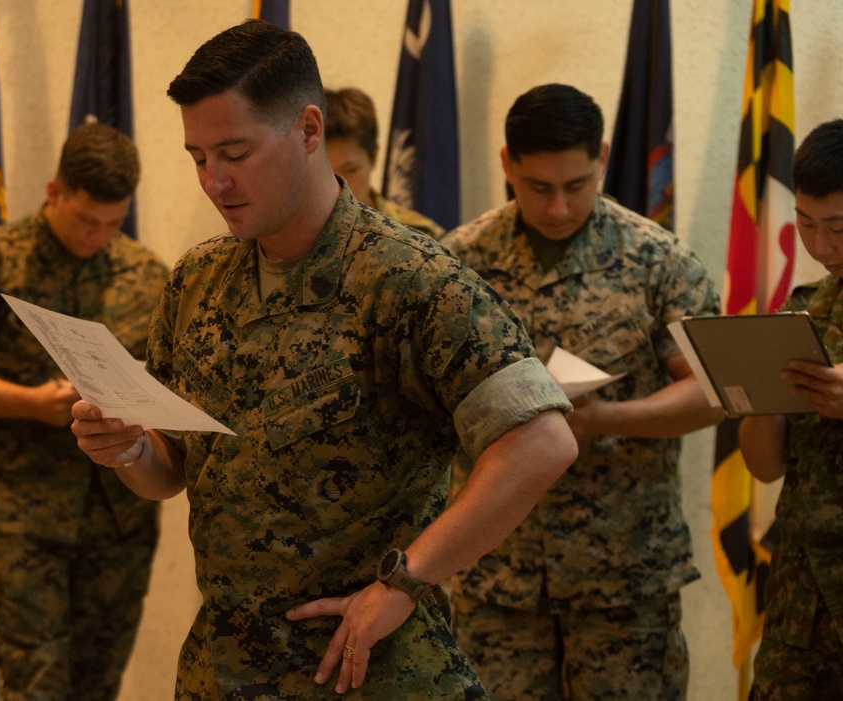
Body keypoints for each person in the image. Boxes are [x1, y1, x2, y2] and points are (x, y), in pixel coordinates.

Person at [71, 20, 578, 699]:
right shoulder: (197, 280)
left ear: (310, 130)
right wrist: (128, 449)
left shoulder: (408, 278)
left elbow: (543, 440)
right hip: (225, 669)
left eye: (234, 152)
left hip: (367, 670)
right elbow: (173, 471)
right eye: (197, 157)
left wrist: (406, 579)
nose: (214, 181)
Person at [441, 83, 723, 700]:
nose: (560, 207)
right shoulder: (456, 264)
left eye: (577, 184)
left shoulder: (658, 259)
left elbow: (713, 392)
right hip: (497, 574)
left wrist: (604, 419)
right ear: (506, 164)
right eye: (539, 187)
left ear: (601, 158)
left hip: (625, 577)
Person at [0, 122, 169, 701]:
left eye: (114, 223)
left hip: (118, 519)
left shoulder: (148, 273)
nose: (99, 235)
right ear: (55, 191)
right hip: (21, 512)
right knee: (36, 687)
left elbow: (168, 378)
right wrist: (31, 404)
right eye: (87, 220)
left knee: (97, 685)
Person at [739, 119, 843, 700]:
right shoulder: (805, 309)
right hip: (801, 603)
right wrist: (760, 397)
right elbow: (766, 468)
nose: (820, 246)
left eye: (838, 227)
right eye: (805, 225)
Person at [324, 86, 446, 239]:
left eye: (351, 169)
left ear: (374, 156)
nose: (338, 185)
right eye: (324, 172)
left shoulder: (420, 237)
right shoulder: (291, 241)